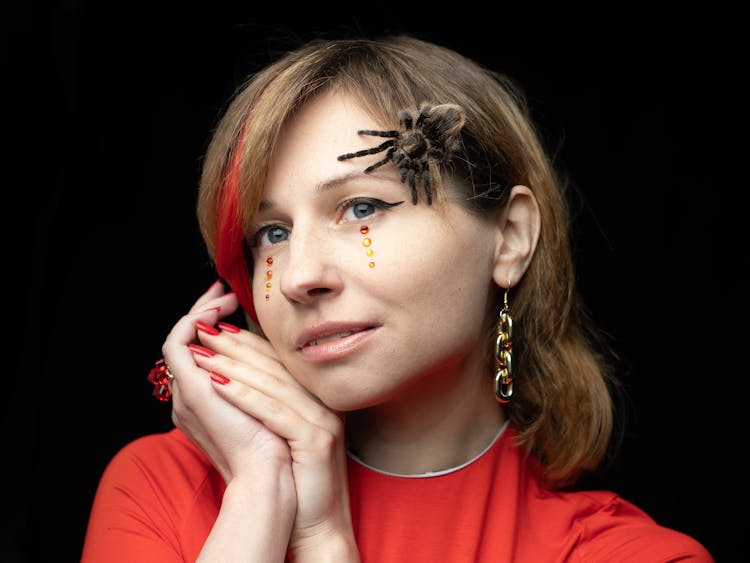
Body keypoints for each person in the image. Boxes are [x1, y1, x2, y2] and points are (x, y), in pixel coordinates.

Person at [80, 34, 714, 562]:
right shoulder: (160, 489)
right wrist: (260, 492)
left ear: (510, 239)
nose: (300, 276)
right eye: (271, 233)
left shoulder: (626, 554)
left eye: (362, 207)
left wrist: (323, 539)